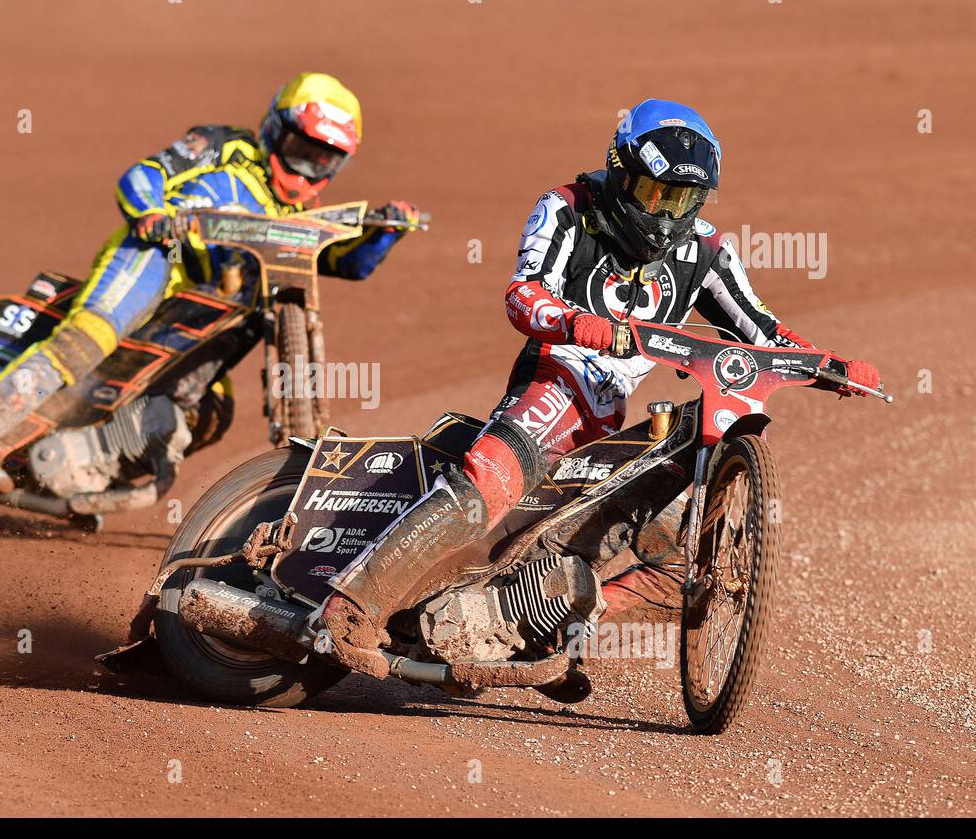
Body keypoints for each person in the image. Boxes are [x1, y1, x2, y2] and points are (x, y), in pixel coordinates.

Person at [320, 98, 880, 690]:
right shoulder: (565, 209)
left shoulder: (706, 249)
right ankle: (350, 607)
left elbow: (762, 331)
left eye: (684, 200)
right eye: (653, 193)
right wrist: (570, 322)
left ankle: (536, 625)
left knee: (678, 555)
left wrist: (829, 364)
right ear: (620, 170)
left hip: (610, 416)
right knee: (489, 476)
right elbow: (522, 293)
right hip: (555, 379)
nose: (666, 214)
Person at [0, 72, 420, 493]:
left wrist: (386, 234)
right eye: (301, 151)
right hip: (155, 262)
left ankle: (90, 468)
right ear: (276, 130)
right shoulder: (222, 147)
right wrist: (152, 212)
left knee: (210, 409)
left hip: (196, 316)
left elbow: (343, 262)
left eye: (324, 160)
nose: (307, 170)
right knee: (89, 340)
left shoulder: (293, 216)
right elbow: (144, 174)